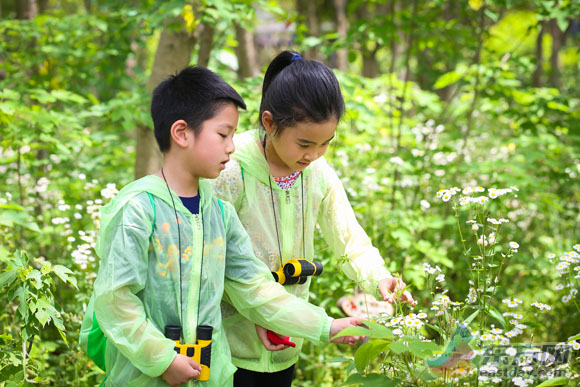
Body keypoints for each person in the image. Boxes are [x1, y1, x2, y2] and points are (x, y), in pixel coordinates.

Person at [80, 66, 362, 387]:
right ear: (182, 132)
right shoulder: (138, 209)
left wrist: (327, 327)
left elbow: (256, 288)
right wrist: (163, 359)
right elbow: (115, 300)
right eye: (223, 134)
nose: (232, 146)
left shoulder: (220, 215)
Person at [211, 51, 416, 386]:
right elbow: (219, 264)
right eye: (305, 144)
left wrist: (378, 278)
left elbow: (348, 238)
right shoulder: (231, 170)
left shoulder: (316, 173)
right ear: (268, 123)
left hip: (290, 336)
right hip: (228, 343)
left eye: (325, 144)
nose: (314, 155)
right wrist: (273, 315)